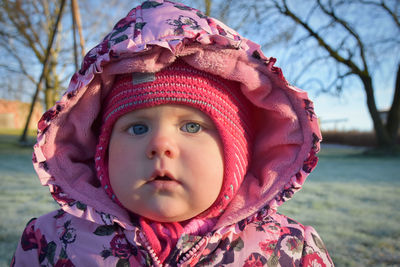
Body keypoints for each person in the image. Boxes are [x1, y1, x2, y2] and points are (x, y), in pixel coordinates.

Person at [12, 1, 333, 266]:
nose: (160, 145)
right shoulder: (49, 243)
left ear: (238, 155)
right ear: (102, 152)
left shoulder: (290, 249)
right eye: (137, 128)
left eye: (191, 126)